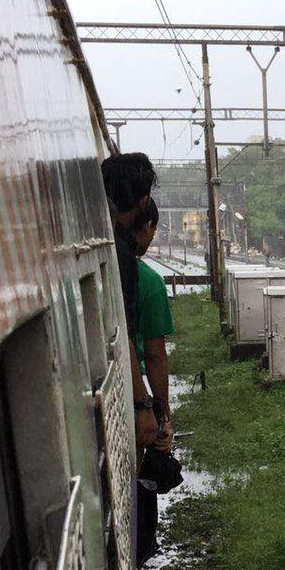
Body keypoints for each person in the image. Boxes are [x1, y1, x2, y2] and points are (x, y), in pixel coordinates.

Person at [132, 198, 176, 570]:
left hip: (119, 400)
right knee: (142, 488)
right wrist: (161, 413)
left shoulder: (122, 274)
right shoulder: (146, 281)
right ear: (144, 227)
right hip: (139, 401)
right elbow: (156, 353)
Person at [101, 152, 159, 455]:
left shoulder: (110, 242)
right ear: (143, 200)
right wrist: (143, 404)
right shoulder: (122, 256)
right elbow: (122, 334)